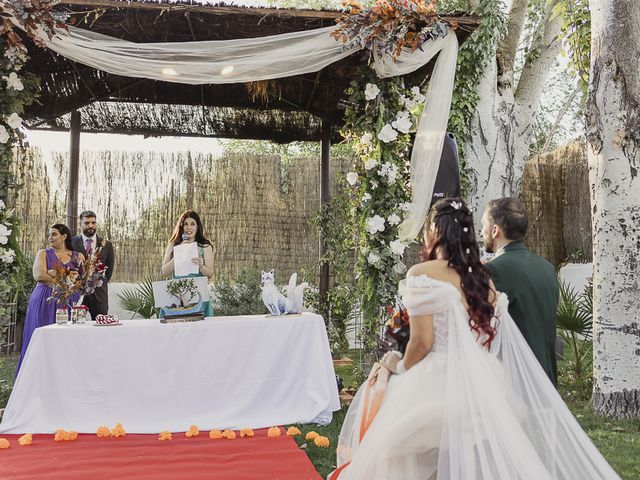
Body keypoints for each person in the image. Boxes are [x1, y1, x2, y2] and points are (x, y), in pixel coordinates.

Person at [330, 198, 618, 480]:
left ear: (435, 231)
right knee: (458, 458)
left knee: (394, 454)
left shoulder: (421, 273)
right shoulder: (483, 279)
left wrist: (400, 368)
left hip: (436, 383)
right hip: (485, 380)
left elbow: (422, 342)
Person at [481, 197, 559, 386]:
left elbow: (482, 327)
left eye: (483, 225)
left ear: (495, 230)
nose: (481, 231)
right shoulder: (547, 267)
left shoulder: (493, 270)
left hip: (516, 380)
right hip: (547, 377)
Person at [17, 224, 84, 374]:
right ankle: (34, 376)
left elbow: (81, 281)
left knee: (66, 340)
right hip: (44, 300)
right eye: (49, 234)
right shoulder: (43, 253)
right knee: (41, 336)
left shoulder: (78, 256)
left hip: (69, 302)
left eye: (54, 234)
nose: (50, 237)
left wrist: (55, 274)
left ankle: (63, 376)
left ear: (64, 236)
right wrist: (65, 281)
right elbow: (39, 275)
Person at [161, 210, 214, 316]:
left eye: (192, 224)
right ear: (181, 227)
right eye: (185, 224)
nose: (189, 227)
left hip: (198, 294)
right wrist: (179, 253)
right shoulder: (173, 245)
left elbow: (210, 274)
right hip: (177, 294)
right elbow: (164, 272)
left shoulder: (205, 246)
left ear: (198, 227)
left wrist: (201, 266)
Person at [71, 210, 115, 320]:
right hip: (77, 292)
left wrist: (97, 282)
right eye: (86, 223)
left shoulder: (107, 245)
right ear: (80, 224)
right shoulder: (71, 243)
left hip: (99, 294)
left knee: (101, 326)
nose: (90, 225)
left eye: (93, 222)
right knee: (76, 326)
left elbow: (108, 271)